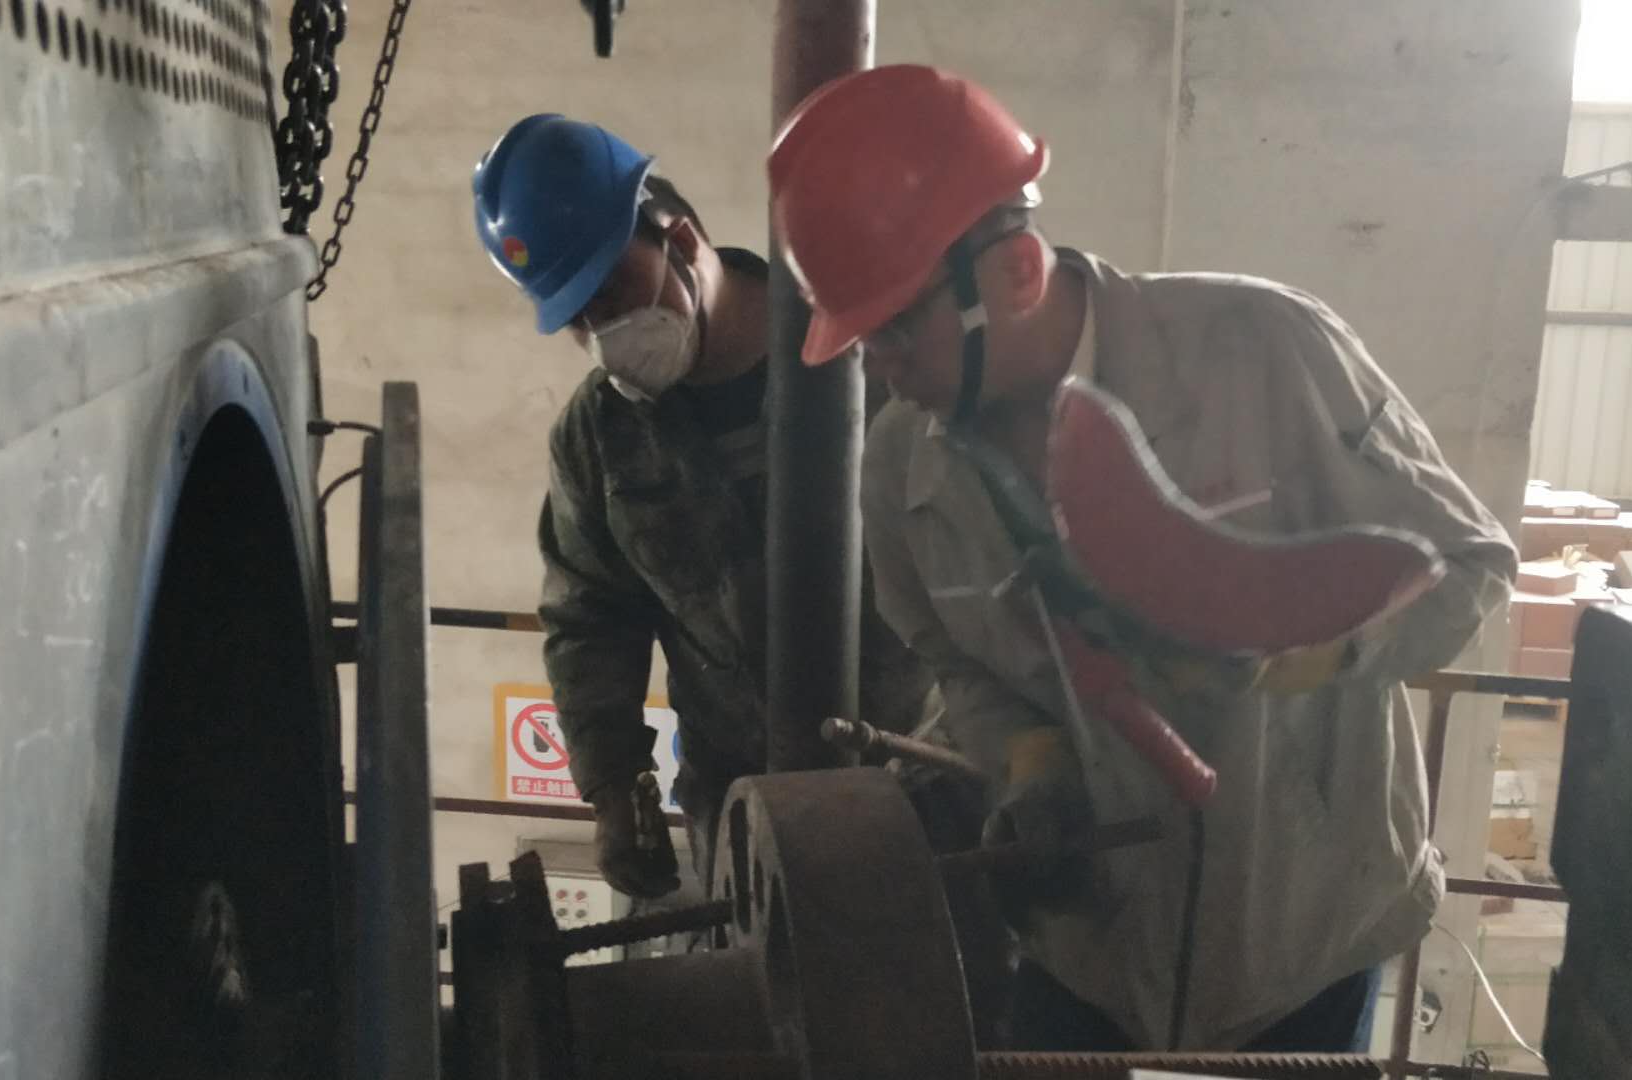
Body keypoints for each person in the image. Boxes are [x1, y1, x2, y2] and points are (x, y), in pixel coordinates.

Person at [769, 65, 1518, 1052]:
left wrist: (1315, 650)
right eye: (864, 338)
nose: (882, 369)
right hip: (1090, 953)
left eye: (899, 328)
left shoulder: (1263, 352)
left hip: (1300, 945)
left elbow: (1466, 564)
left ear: (1016, 271)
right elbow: (957, 662)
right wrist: (1030, 765)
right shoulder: (903, 469)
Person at [471, 114, 933, 901]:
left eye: (612, 293)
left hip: (919, 779)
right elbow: (591, 618)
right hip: (748, 810)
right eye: (578, 319)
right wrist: (614, 786)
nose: (604, 332)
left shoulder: (872, 360)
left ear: (681, 241)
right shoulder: (599, 439)